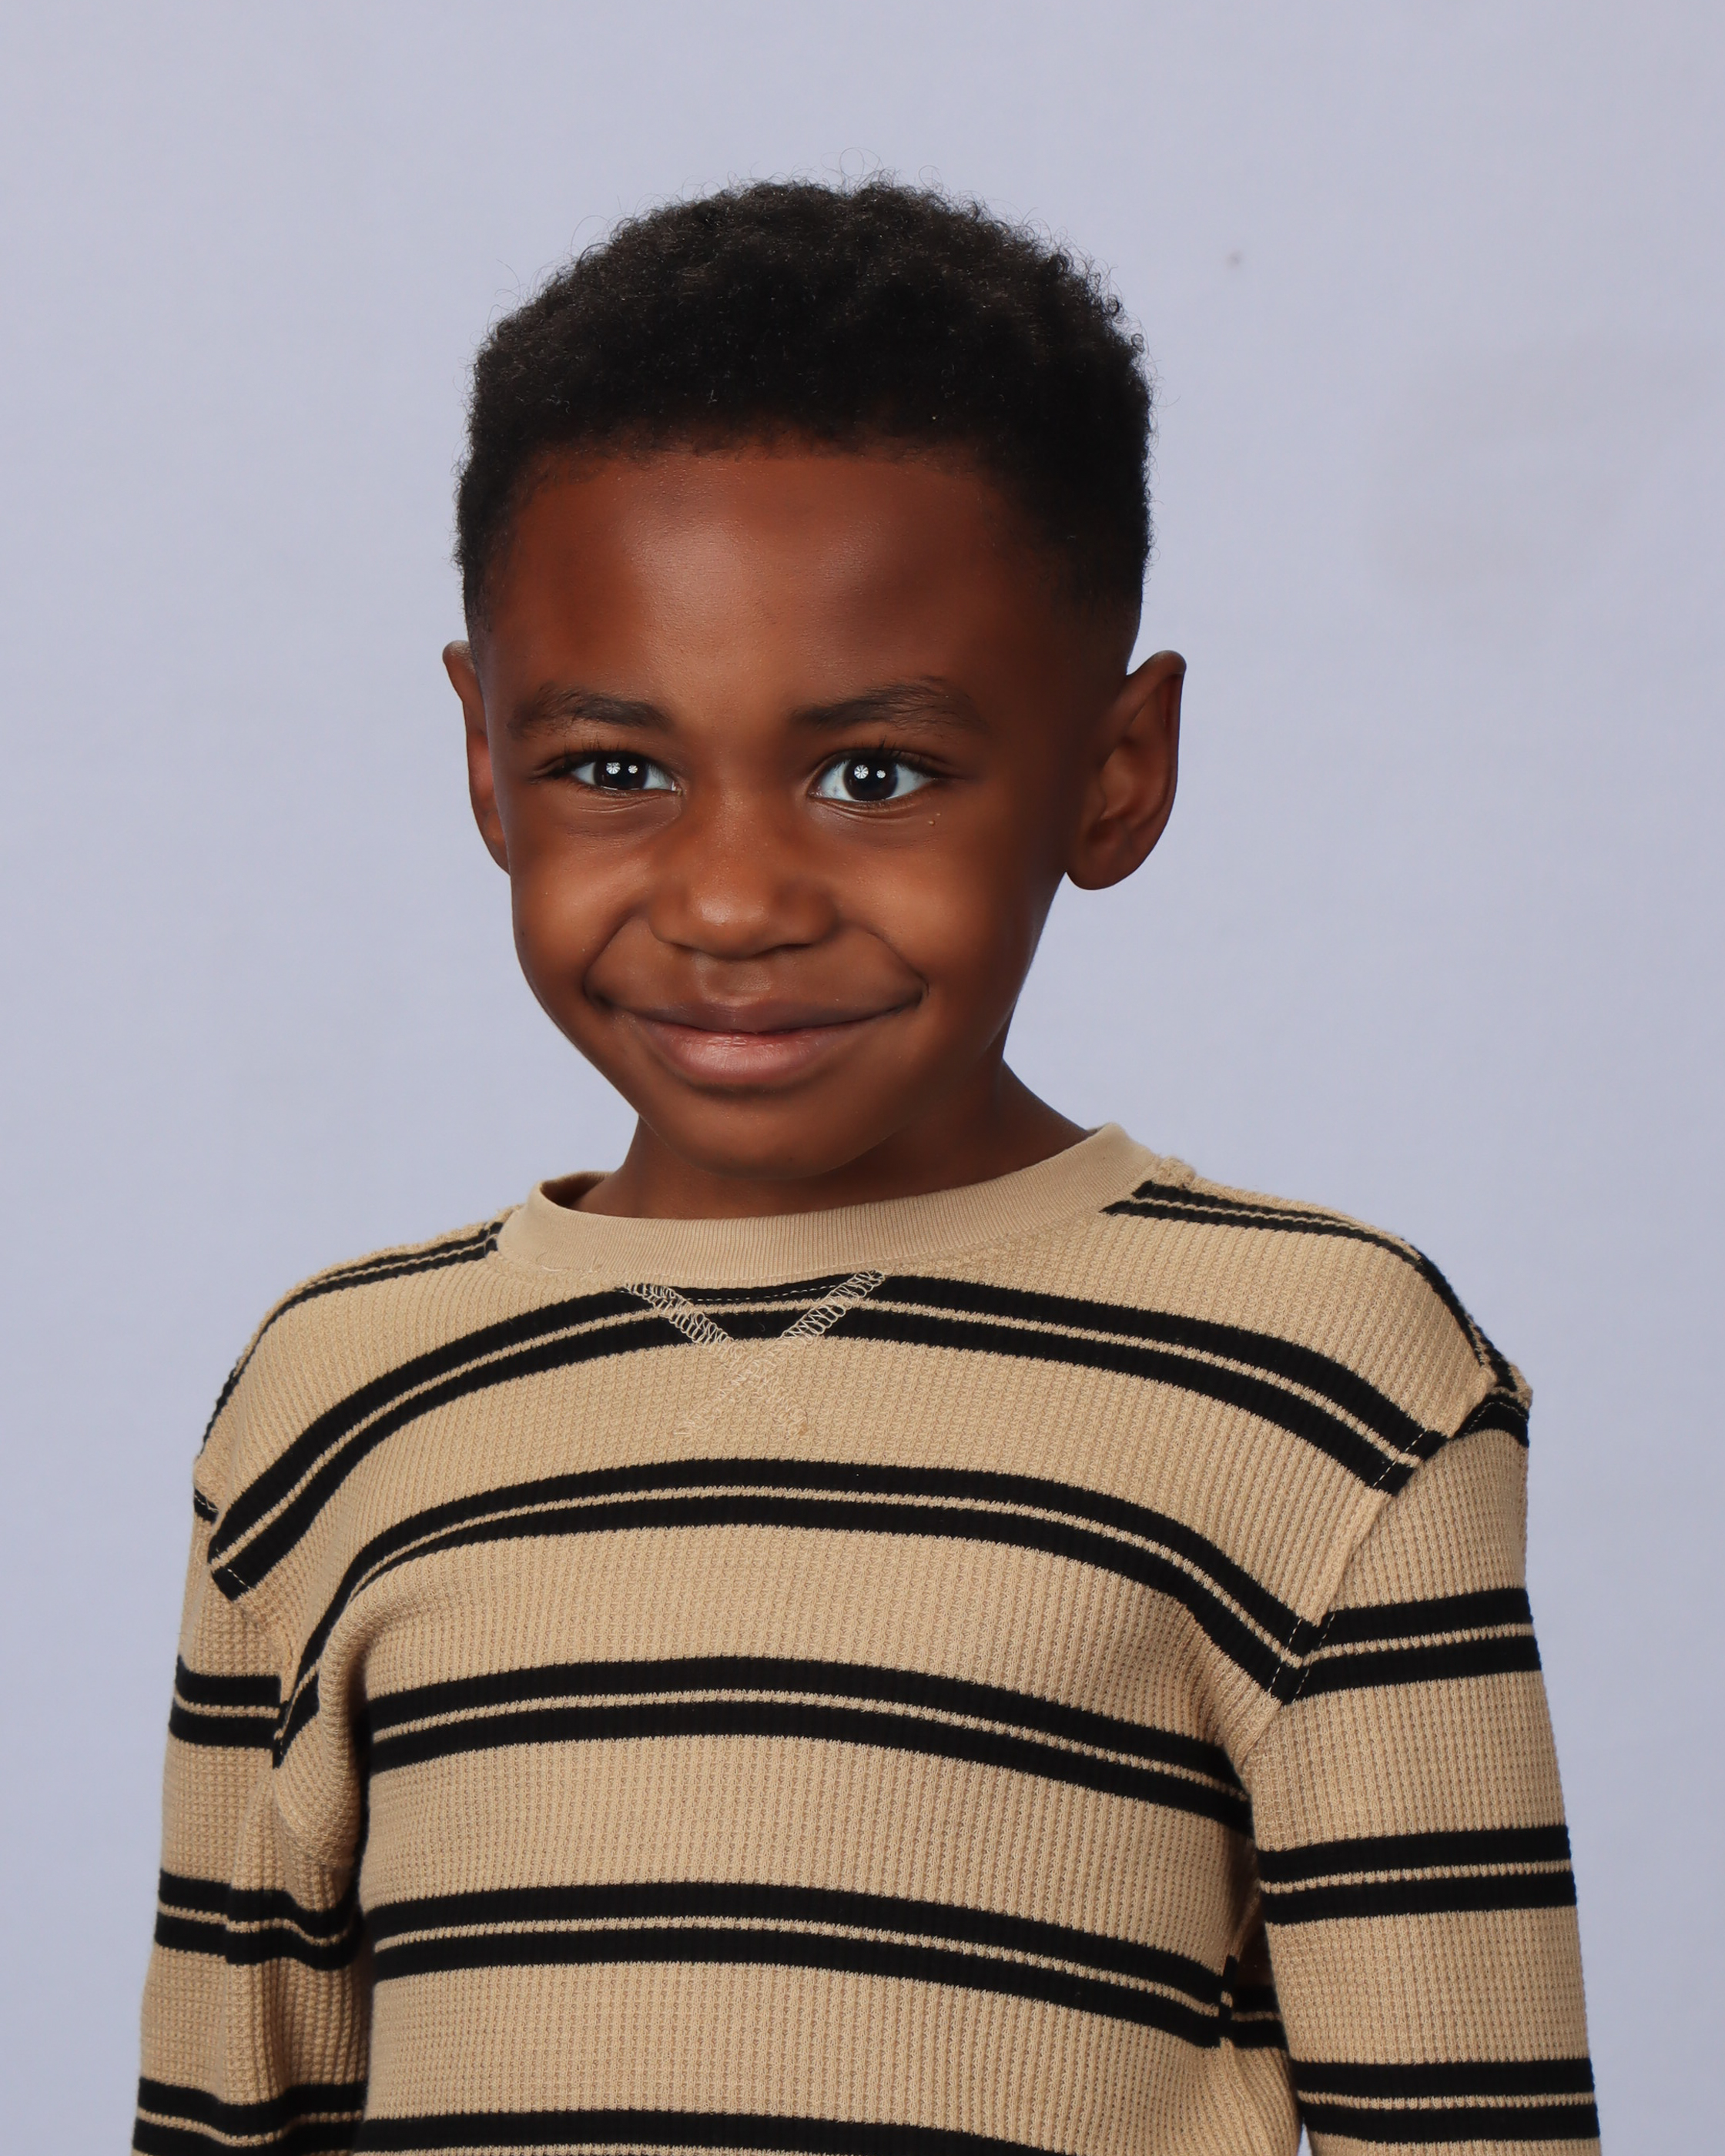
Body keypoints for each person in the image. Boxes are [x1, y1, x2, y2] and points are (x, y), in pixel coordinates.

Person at [134, 179, 1597, 2156]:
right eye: (617, 768)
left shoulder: (1326, 1387)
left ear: (1115, 769)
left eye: (873, 774)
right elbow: (227, 2109)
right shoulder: (333, 1402)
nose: (734, 898)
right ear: (485, 757)